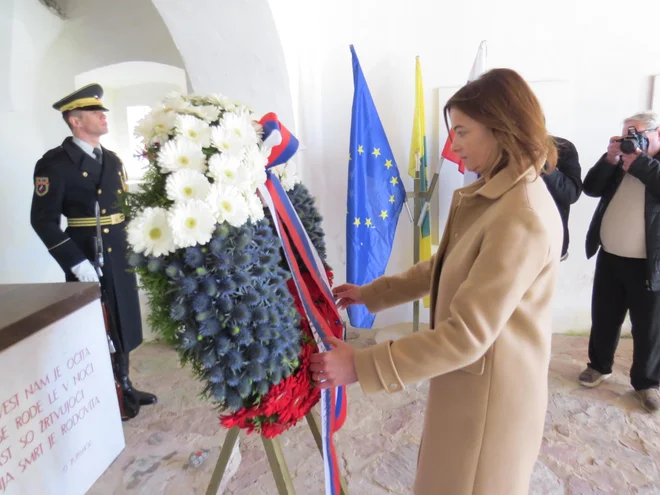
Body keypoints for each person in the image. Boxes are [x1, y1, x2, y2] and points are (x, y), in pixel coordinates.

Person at [311, 68, 563, 495]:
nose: (453, 145)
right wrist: (372, 294)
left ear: (501, 128)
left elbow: (467, 335)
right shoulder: (494, 196)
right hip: (471, 388)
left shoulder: (520, 215)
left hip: (489, 405)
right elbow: (445, 266)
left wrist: (361, 365)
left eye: (463, 131)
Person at [30, 83, 157, 418]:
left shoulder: (112, 160)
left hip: (118, 251)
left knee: (123, 321)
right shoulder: (55, 164)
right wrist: (75, 262)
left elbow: (124, 209)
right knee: (98, 326)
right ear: (75, 121)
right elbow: (42, 220)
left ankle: (124, 383)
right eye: (95, 112)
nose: (104, 117)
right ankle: (105, 391)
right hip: (87, 252)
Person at [579, 111, 660, 413]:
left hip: (649, 265)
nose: (632, 141)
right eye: (628, 135)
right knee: (604, 317)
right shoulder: (621, 162)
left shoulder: (645, 164)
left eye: (639, 133)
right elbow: (590, 188)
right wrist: (609, 160)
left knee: (649, 327)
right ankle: (599, 366)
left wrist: (640, 163)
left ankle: (647, 383)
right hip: (611, 256)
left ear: (657, 133)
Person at [542, 136, 582, 260]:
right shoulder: (495, 146)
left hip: (550, 242)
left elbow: (571, 194)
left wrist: (543, 165)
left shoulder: (563, 148)